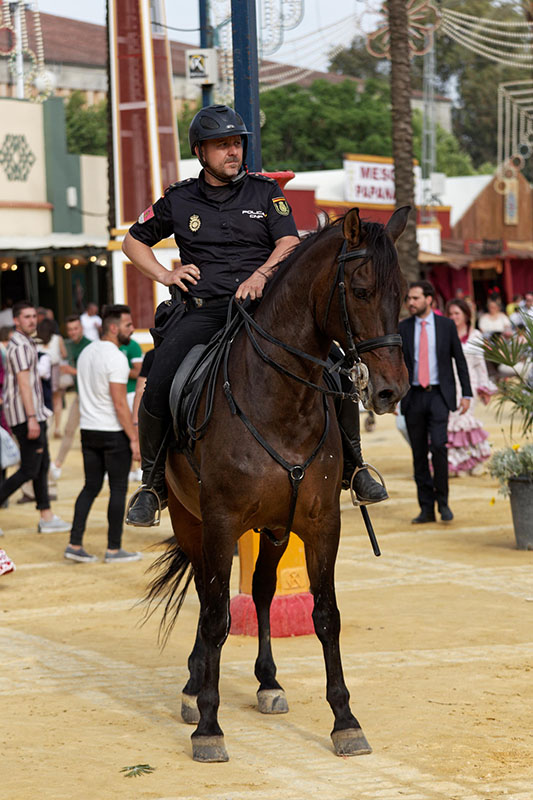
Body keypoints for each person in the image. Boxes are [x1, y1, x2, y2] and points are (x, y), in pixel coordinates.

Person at [122, 104, 387, 526]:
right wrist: (166, 273)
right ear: (200, 151)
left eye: (236, 143)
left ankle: (355, 467)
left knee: (334, 371)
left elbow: (287, 245)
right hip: (204, 312)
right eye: (222, 144)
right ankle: (152, 486)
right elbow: (132, 242)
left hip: (262, 310)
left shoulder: (266, 193)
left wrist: (261, 276)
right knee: (159, 384)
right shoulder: (178, 199)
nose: (233, 151)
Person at [64, 304, 141, 563]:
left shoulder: (86, 352)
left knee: (90, 487)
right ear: (113, 327)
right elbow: (120, 404)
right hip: (112, 432)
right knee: (118, 490)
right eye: (128, 325)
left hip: (89, 431)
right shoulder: (116, 357)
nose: (131, 329)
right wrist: (133, 438)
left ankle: (74, 544)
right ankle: (113, 549)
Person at [399, 281, 472, 524]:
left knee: (439, 447)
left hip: (440, 395)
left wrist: (467, 394)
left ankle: (443, 502)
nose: (411, 302)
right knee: (418, 454)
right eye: (409, 298)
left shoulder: (446, 326)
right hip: (413, 397)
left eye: (416, 298)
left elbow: (459, 362)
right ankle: (426, 508)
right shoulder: (403, 328)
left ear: (429, 299)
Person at [0, 301, 70, 533]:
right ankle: (46, 516)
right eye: (26, 317)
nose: (32, 320)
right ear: (16, 321)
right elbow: (23, 384)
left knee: (41, 466)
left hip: (33, 413)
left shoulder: (26, 342)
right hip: (26, 414)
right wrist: (31, 417)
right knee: (30, 469)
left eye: (33, 316)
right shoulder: (20, 346)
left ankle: (46, 516)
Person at [446, 298, 496, 476]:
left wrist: (484, 388)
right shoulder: (446, 334)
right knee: (451, 424)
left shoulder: (475, 336)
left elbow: (480, 364)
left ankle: (475, 460)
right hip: (450, 383)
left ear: (466, 315)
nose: (454, 317)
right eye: (450, 314)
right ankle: (455, 463)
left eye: (457, 313)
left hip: (470, 384)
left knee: (464, 422)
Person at [50, 315, 92, 480]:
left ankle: (132, 467)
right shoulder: (67, 345)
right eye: (70, 330)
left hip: (93, 397)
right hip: (80, 395)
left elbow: (93, 373)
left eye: (76, 328)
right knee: (69, 429)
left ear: (81, 328)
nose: (73, 332)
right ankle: (57, 464)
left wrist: (71, 371)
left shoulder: (89, 346)